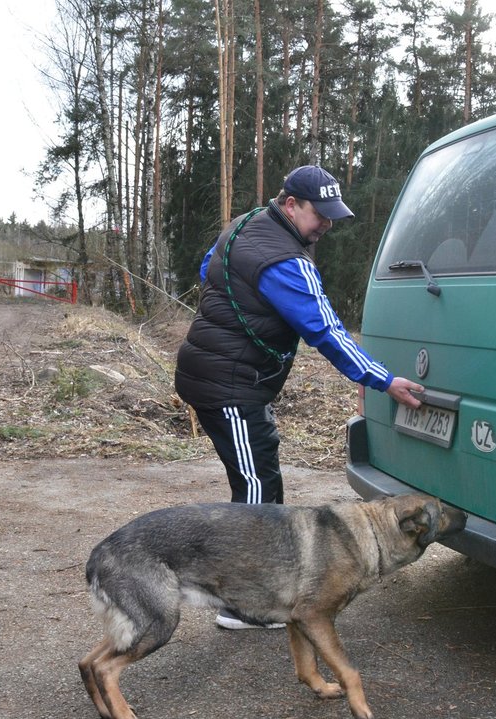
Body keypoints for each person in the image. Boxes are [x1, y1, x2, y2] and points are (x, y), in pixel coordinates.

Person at [175, 165, 424, 630]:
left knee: (260, 469)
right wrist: (383, 379)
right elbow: (325, 330)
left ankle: (252, 590)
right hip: (228, 383)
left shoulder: (247, 223)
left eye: (333, 216)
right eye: (319, 215)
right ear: (291, 205)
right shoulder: (284, 262)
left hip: (225, 375)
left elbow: (207, 265)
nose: (326, 225)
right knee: (255, 491)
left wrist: (240, 301)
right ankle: (243, 605)